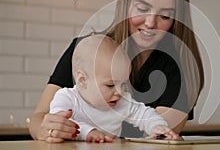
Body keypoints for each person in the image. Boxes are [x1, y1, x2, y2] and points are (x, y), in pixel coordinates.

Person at [29, 0, 204, 141]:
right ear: (125, 5)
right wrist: (48, 129)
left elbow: (155, 136)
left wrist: (159, 130)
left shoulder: (181, 70)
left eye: (165, 16)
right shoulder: (85, 51)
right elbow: (39, 118)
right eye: (142, 9)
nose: (151, 23)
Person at [48, 35, 178, 143]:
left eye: (123, 84)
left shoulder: (121, 102)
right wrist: (88, 132)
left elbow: (145, 114)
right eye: (110, 85)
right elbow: (61, 123)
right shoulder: (66, 98)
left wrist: (157, 126)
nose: (120, 92)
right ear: (83, 80)